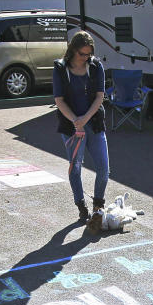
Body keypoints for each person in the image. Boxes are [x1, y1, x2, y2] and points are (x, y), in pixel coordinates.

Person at [53, 31, 109, 233]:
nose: (85, 58)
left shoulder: (96, 66)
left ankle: (98, 207)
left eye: (88, 54)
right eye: (82, 54)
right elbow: (59, 100)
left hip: (93, 123)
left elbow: (99, 96)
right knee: (75, 167)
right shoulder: (60, 68)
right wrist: (75, 121)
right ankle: (81, 205)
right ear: (73, 51)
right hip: (71, 126)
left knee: (103, 168)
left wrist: (84, 119)